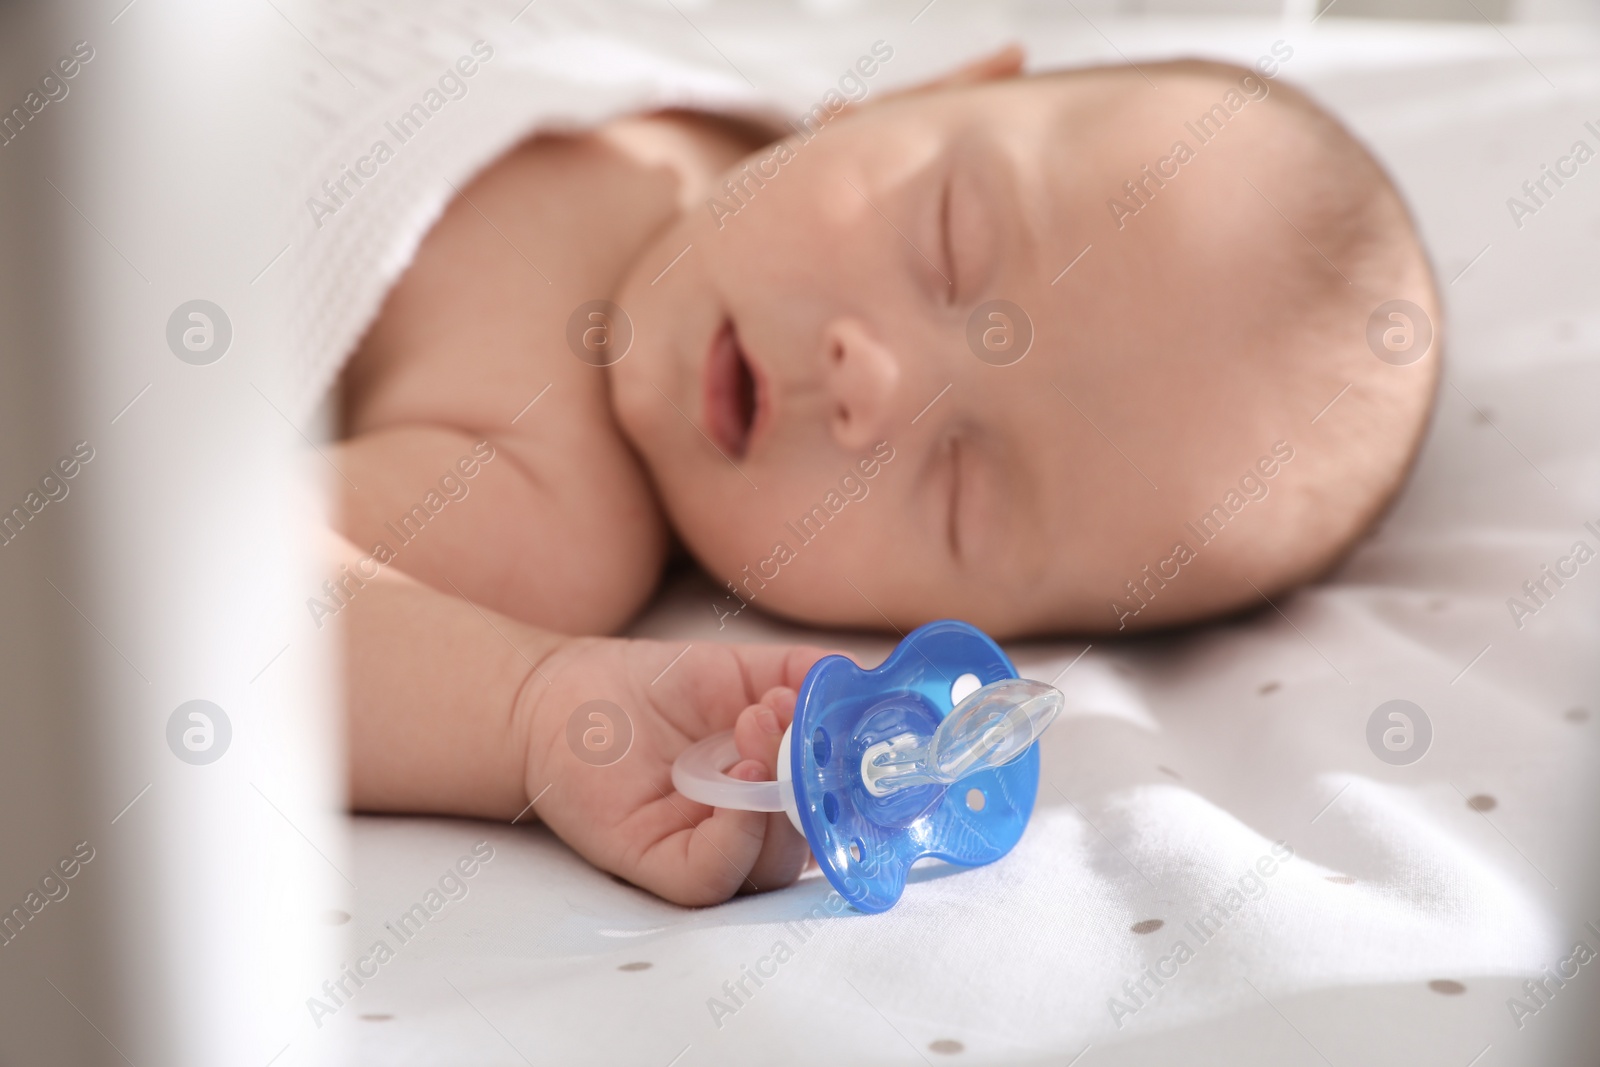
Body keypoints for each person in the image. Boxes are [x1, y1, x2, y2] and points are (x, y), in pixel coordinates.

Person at [327, 48, 1439, 906]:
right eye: (951, 243)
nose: (876, 383)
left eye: (963, 487)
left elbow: (206, 588)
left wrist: (529, 705)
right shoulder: (726, 75)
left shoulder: (545, 498)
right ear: (924, 88)